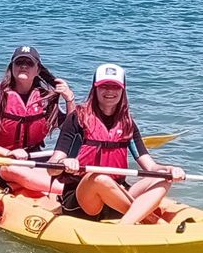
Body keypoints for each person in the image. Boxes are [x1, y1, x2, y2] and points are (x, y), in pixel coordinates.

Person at [48, 63, 184, 225]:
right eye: (104, 86)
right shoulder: (77, 119)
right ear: (95, 89)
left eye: (115, 87)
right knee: (98, 178)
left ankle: (125, 223)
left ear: (122, 90)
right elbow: (51, 168)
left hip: (117, 194)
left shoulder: (127, 124)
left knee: (163, 179)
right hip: (83, 199)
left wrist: (169, 170)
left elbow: (151, 168)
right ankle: (150, 221)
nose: (110, 91)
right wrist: (63, 163)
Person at [0, 45, 74, 196]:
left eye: (29, 63)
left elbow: (71, 132)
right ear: (12, 67)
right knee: (12, 168)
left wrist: (69, 99)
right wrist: (8, 153)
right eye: (19, 63)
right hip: (0, 161)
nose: (24, 66)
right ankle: (65, 191)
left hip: (33, 157)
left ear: (38, 70)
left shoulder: (44, 99)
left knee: (61, 160)